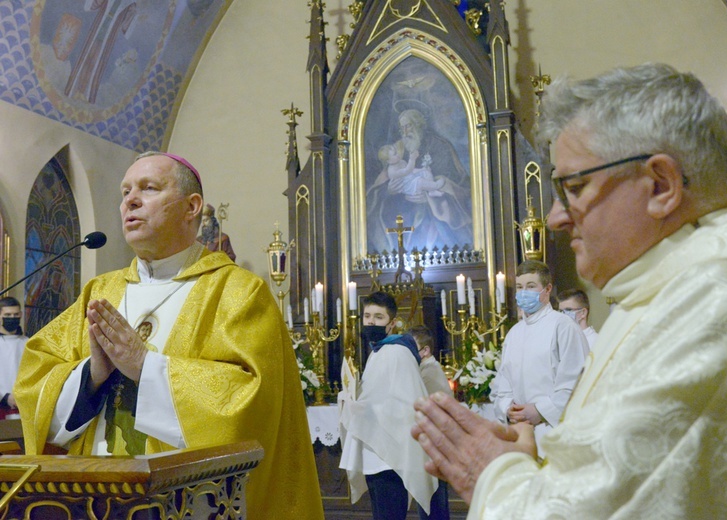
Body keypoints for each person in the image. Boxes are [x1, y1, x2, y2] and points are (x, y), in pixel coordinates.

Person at [411, 63, 727, 518]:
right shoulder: (666, 285)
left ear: (660, 185)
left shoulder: (716, 296)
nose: (555, 217)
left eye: (573, 187)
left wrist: (489, 473)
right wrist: (529, 464)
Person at [13, 151, 323, 519]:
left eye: (149, 188)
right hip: (94, 498)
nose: (130, 200)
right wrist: (91, 376)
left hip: (187, 503)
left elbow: (254, 404)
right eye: (125, 191)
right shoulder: (100, 292)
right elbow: (34, 383)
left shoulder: (237, 291)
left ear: (192, 206)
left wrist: (146, 367)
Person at [339, 291, 437, 519]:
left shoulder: (396, 353)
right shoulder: (380, 350)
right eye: (367, 316)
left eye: (378, 317)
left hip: (389, 459)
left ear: (392, 323)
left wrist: (353, 405)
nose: (371, 322)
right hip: (377, 454)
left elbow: (400, 408)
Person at [489, 260, 588, 455]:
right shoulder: (514, 334)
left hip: (554, 432)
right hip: (519, 434)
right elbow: (503, 386)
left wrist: (539, 411)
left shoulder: (564, 326)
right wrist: (508, 409)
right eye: (519, 287)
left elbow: (577, 383)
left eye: (531, 286)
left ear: (547, 289)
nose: (523, 292)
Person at [366, 109, 473, 252]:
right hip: (403, 209)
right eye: (401, 127)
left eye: (408, 126)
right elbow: (383, 181)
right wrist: (389, 190)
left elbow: (457, 183)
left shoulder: (440, 146)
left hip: (434, 212)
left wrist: (428, 197)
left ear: (419, 125)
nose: (404, 131)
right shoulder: (397, 149)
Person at [410, 325, 451, 520]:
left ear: (425, 351)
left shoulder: (428, 372)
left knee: (433, 505)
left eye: (412, 348)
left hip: (434, 448)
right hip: (431, 446)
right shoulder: (424, 370)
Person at [379, 143, 446, 198]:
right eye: (395, 154)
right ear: (388, 161)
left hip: (411, 178)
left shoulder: (401, 161)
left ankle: (432, 191)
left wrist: (422, 169)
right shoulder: (392, 171)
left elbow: (411, 171)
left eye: (396, 152)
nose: (398, 154)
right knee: (420, 181)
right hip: (409, 186)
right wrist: (412, 159)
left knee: (425, 171)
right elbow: (407, 170)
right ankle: (436, 185)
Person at [0, 297, 27, 415]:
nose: (12, 318)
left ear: (21, 315)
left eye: (16, 314)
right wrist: (5, 397)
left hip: (23, 405)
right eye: (8, 315)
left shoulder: (29, 344)